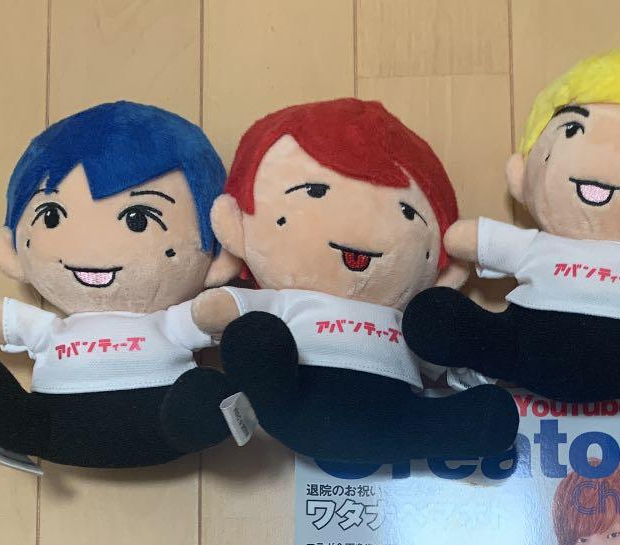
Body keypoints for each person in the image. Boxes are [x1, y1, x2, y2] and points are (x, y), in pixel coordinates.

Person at [159, 98, 518, 462]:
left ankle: (458, 427)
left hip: (396, 418)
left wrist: (467, 366)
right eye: (315, 191)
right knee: (256, 337)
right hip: (293, 400)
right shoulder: (288, 302)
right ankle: (261, 395)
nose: (362, 228)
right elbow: (225, 313)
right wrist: (222, 312)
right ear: (237, 226)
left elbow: (439, 359)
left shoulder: (403, 317)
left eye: (407, 211)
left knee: (481, 409)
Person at [402, 43, 620, 402]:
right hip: (523, 346)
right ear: (522, 173)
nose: (602, 163)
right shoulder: (538, 246)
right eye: (574, 128)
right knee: (440, 318)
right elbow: (468, 240)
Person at [0, 101, 240, 467]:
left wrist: (227, 310)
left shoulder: (169, 323)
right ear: (11, 251)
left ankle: (197, 420)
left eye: (138, 219)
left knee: (204, 398)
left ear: (216, 258)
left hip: (164, 426)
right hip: (56, 427)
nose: (94, 246)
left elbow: (210, 316)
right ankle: (21, 426)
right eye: (51, 216)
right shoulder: (50, 329)